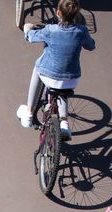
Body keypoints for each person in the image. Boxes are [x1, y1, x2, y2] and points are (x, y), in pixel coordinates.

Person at [18, 0, 95, 138]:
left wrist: (27, 28)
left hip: (49, 76)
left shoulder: (50, 30)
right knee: (62, 90)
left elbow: (30, 38)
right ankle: (64, 123)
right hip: (72, 79)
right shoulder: (81, 31)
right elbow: (91, 46)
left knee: (38, 68)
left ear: (58, 13)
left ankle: (29, 113)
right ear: (76, 14)